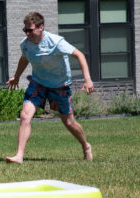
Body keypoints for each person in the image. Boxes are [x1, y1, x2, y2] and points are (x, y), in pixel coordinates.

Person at [5, 11, 95, 164]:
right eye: (25, 30)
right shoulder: (25, 44)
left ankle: (86, 146)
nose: (28, 33)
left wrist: (87, 79)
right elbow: (24, 59)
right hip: (38, 82)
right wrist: (17, 76)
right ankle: (19, 156)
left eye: (30, 30)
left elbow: (79, 55)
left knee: (69, 122)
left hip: (60, 85)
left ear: (41, 27)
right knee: (25, 115)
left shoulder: (56, 42)